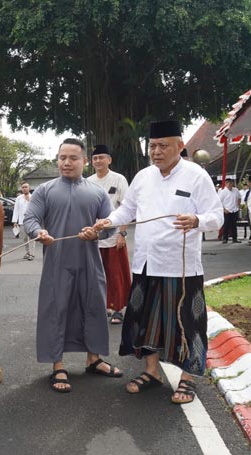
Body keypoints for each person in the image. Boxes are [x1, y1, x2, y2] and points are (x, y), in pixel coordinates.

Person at [93, 120, 223, 404]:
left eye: (163, 145)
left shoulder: (196, 176)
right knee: (144, 322)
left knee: (186, 322)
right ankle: (152, 372)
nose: (156, 151)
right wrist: (108, 222)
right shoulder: (143, 177)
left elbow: (217, 215)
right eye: (152, 146)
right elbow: (126, 210)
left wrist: (197, 220)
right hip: (146, 264)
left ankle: (188, 378)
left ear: (180, 145)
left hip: (182, 267)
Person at [23, 138, 122, 393]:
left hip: (90, 261)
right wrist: (39, 231)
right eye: (62, 158)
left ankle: (94, 359)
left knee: (93, 307)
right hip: (57, 263)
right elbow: (30, 218)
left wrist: (97, 233)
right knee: (57, 309)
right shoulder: (44, 190)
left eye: (73, 158)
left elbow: (111, 222)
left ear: (84, 161)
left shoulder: (97, 192)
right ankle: (58, 365)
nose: (66, 163)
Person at [87, 144, 131, 324]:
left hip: (114, 236)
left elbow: (127, 208)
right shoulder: (88, 181)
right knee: (96, 274)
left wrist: (123, 234)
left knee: (115, 273)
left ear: (109, 160)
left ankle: (117, 308)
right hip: (94, 237)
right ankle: (102, 306)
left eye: (101, 157)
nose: (98, 161)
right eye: (95, 158)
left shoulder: (119, 179)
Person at [11, 182, 35, 260]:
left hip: (31, 221)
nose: (24, 189)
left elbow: (35, 208)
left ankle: (32, 254)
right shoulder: (19, 198)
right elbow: (16, 210)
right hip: (22, 221)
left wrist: (29, 200)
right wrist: (15, 221)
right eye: (23, 187)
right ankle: (27, 252)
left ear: (29, 188)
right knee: (24, 238)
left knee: (31, 238)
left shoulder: (33, 197)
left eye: (26, 187)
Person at [218, 178, 241, 243]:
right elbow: (219, 202)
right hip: (227, 211)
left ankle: (235, 238)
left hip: (234, 210)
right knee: (226, 225)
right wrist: (224, 209)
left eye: (231, 183)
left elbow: (239, 198)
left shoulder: (236, 190)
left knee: (234, 225)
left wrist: (238, 206)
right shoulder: (223, 192)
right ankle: (225, 238)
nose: (229, 184)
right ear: (225, 184)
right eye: (228, 183)